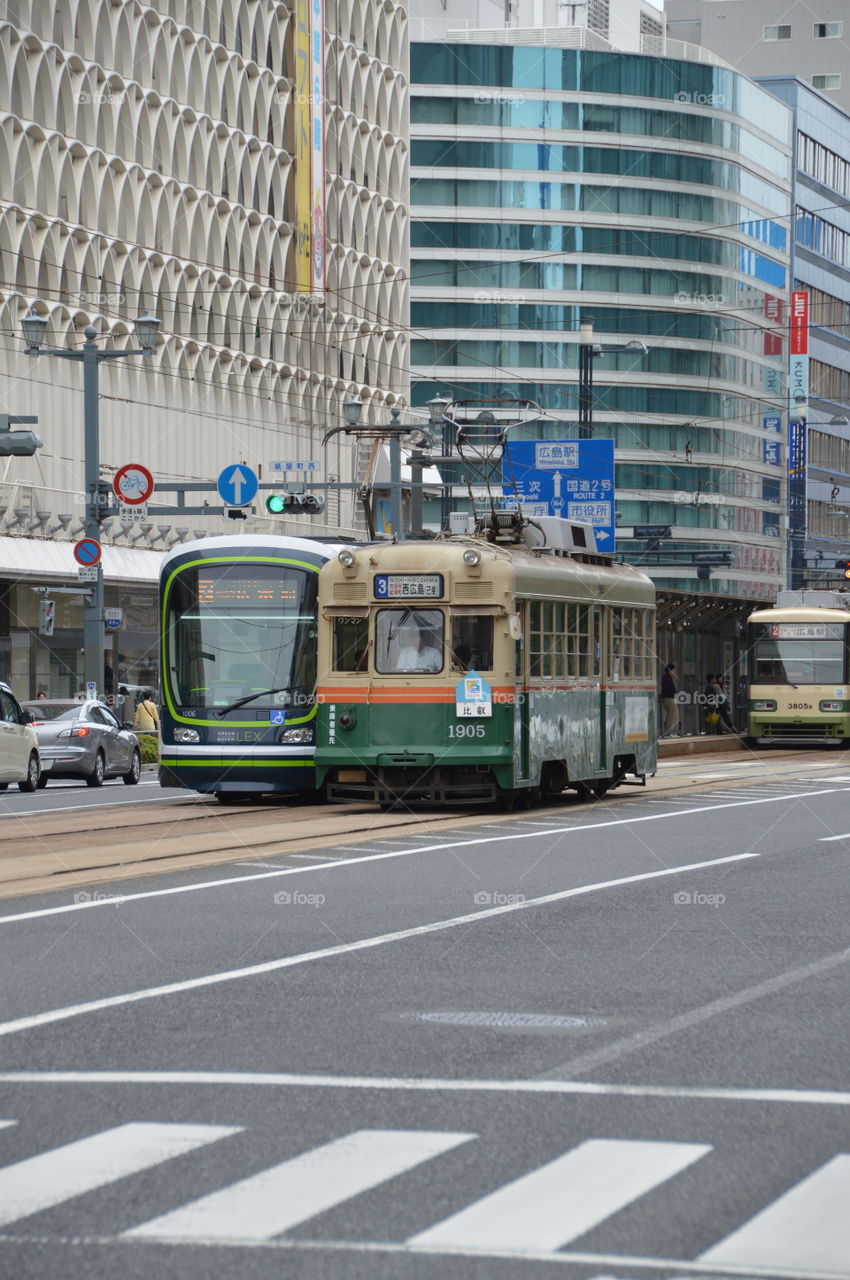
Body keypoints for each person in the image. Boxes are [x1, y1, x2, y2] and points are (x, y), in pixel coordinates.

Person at [660, 663, 678, 737]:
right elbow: (666, 689)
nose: (674, 672)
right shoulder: (667, 678)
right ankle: (668, 733)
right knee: (672, 715)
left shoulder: (667, 677)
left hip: (668, 698)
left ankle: (670, 732)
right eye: (673, 670)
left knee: (672, 715)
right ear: (669, 670)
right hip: (669, 699)